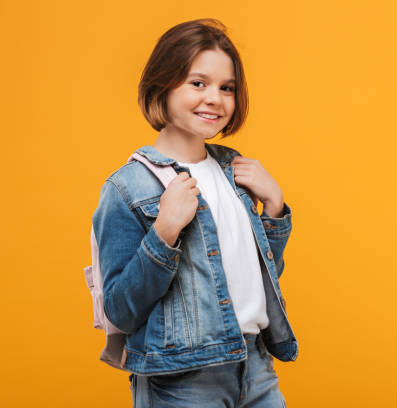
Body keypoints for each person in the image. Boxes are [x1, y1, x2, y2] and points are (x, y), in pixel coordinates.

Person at [92, 18, 298, 407]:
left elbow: (254, 278)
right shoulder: (127, 188)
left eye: (227, 88)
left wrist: (273, 209)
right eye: (197, 83)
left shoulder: (234, 172)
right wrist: (164, 233)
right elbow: (119, 308)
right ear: (162, 85)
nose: (215, 99)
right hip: (180, 379)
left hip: (254, 367)